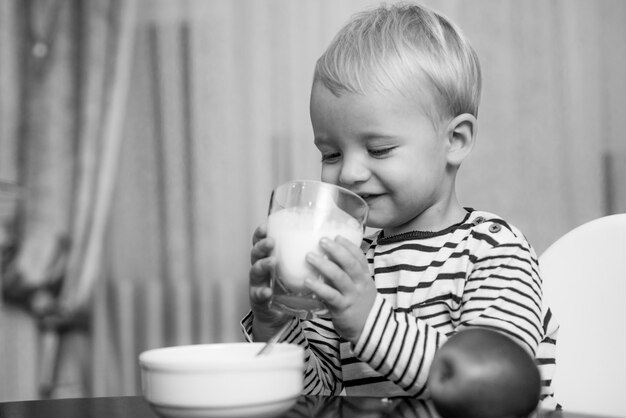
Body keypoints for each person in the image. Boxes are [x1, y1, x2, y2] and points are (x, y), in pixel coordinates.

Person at [241, 1, 559, 409]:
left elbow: (488, 390)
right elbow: (318, 396)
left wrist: (368, 320)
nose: (350, 173)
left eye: (379, 148)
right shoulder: (347, 264)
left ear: (455, 140)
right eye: (331, 154)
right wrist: (276, 324)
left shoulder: (492, 252)